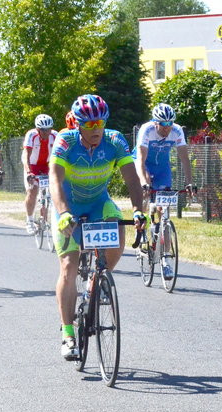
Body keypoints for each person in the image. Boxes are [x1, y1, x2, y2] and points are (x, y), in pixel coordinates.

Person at [49, 94, 145, 360]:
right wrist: (63, 213)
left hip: (98, 203)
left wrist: (138, 210)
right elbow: (55, 181)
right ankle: (68, 334)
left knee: (117, 224)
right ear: (78, 125)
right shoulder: (65, 141)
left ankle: (99, 277)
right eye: (90, 125)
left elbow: (132, 179)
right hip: (68, 206)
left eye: (100, 123)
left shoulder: (115, 141)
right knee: (68, 266)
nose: (96, 129)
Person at [133, 103, 194, 279]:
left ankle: (165, 260)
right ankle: (142, 228)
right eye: (163, 125)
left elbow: (184, 158)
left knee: (164, 212)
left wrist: (189, 183)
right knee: (145, 195)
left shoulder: (177, 131)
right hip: (144, 166)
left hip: (162, 169)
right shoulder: (146, 130)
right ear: (155, 123)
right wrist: (144, 183)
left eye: (170, 124)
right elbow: (140, 160)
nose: (167, 128)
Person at [22, 114, 58, 234]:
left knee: (52, 191)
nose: (46, 132)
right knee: (33, 190)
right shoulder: (31, 135)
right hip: (33, 165)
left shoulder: (55, 135)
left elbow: (61, 156)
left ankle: (45, 218)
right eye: (43, 130)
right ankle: (30, 220)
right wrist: (28, 172)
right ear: (37, 129)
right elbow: (26, 155)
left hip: (48, 165)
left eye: (48, 129)